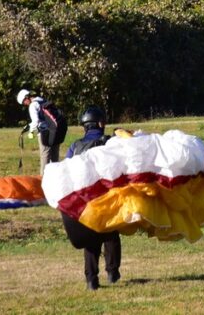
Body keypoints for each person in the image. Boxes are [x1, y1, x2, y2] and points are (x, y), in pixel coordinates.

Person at [61, 106, 122, 291]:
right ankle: (112, 273)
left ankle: (91, 280)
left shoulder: (74, 146)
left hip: (83, 199)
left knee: (90, 239)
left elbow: (66, 168)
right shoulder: (109, 142)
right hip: (105, 195)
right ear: (100, 123)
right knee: (110, 233)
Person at [17, 89, 67, 173]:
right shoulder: (42, 100)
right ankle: (57, 178)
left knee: (45, 157)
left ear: (26, 98)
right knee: (55, 157)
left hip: (45, 133)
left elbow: (36, 121)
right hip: (56, 131)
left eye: (23, 102)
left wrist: (31, 131)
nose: (24, 104)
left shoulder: (32, 105)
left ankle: (42, 181)